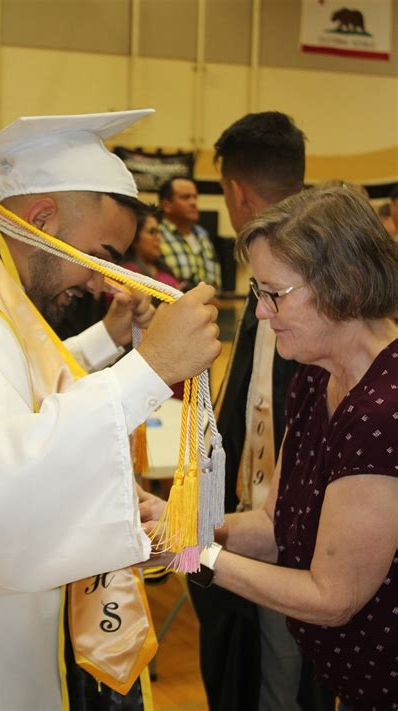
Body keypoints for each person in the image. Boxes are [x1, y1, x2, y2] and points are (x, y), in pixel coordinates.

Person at [0, 110, 222, 711]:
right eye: (100, 255)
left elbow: (31, 389)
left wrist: (112, 340)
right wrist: (148, 371)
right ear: (40, 221)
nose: (101, 283)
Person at [186, 185, 397, 711]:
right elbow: (276, 527)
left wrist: (194, 553)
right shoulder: (311, 378)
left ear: (343, 285)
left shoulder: (383, 411)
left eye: (273, 293)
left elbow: (333, 598)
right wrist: (184, 522)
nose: (260, 312)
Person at [187, 111, 333, 711]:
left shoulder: (309, 296)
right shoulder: (297, 277)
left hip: (299, 541)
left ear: (236, 192)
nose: (270, 309)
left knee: (283, 677)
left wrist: (196, 543)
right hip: (265, 519)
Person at [158, 176, 222, 291]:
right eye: (186, 197)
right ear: (167, 205)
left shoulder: (203, 235)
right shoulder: (156, 235)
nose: (193, 202)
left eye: (195, 197)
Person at [121, 205, 181, 290]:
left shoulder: (164, 268)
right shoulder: (125, 274)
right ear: (135, 237)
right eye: (152, 232)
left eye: (158, 232)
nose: (158, 238)